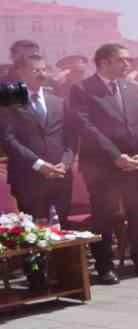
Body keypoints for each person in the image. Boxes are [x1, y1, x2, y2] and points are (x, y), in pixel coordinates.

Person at [69, 42, 138, 283]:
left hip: (137, 164)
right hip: (103, 167)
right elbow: (86, 126)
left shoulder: (134, 88)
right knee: (104, 216)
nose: (128, 64)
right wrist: (116, 155)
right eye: (122, 60)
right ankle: (105, 267)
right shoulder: (83, 89)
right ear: (104, 62)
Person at [2, 54, 74, 225]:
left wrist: (65, 162)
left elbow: (70, 137)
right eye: (36, 70)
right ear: (21, 72)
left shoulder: (57, 101)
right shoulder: (8, 100)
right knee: (34, 235)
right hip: (28, 178)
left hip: (60, 176)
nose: (42, 74)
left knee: (62, 233)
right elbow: (7, 139)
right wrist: (38, 164)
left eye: (44, 69)